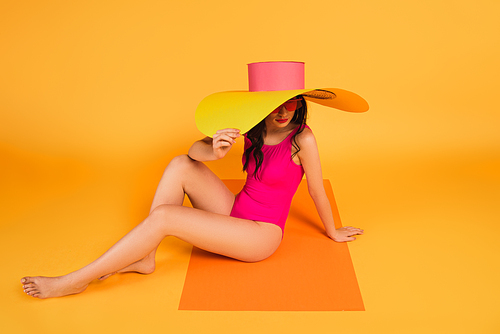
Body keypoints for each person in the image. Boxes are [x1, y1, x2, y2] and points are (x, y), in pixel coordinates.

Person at [21, 61, 367, 299]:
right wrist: (213, 151)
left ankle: (74, 281)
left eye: (289, 102)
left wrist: (333, 230)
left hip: (260, 235)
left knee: (165, 217)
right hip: (235, 210)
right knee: (178, 164)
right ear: (260, 104)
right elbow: (192, 151)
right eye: (273, 103)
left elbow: (316, 190)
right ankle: (145, 257)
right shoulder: (254, 128)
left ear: (299, 103)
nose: (281, 111)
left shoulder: (302, 139)